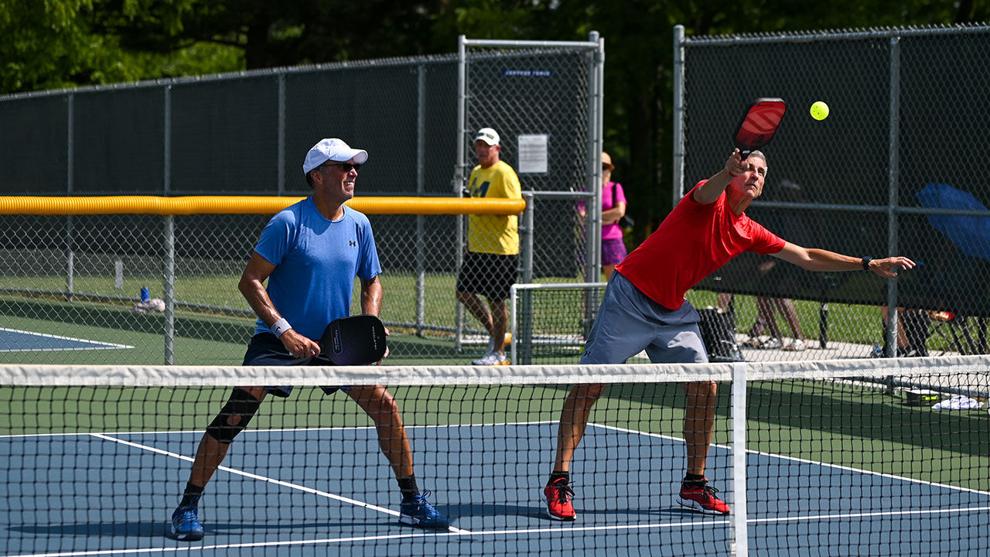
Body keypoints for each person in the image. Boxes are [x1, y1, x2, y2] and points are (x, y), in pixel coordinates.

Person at [542, 147, 914, 521]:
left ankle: (694, 481)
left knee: (707, 386)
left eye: (761, 172)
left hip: (673, 311)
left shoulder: (749, 231)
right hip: (630, 298)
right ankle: (559, 479)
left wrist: (866, 263)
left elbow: (805, 256)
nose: (754, 174)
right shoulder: (707, 198)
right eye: (748, 168)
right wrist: (724, 172)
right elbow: (707, 189)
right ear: (734, 173)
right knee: (589, 385)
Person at [169, 138, 448, 541]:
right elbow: (250, 281)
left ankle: (411, 502)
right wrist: (285, 331)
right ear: (318, 176)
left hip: (337, 344)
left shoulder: (359, 224)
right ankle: (187, 507)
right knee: (235, 414)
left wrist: (369, 329)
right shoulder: (288, 222)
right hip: (278, 341)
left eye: (354, 166)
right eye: (343, 166)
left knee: (385, 406)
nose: (353, 172)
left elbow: (372, 281)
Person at [457, 127, 522, 365]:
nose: (482, 150)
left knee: (496, 301)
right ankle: (497, 335)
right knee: (463, 292)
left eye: (487, 145)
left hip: (500, 249)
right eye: (479, 145)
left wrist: (489, 208)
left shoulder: (504, 173)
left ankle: (499, 352)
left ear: (497, 149)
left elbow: (515, 205)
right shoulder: (475, 172)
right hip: (477, 248)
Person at [577, 151, 629, 279]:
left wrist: (594, 217)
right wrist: (607, 218)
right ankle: (589, 300)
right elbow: (582, 217)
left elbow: (620, 212)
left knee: (615, 280)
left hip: (612, 239)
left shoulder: (615, 188)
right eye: (598, 167)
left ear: (610, 170)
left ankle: (614, 300)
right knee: (588, 281)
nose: (601, 171)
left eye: (604, 167)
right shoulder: (585, 190)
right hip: (589, 238)